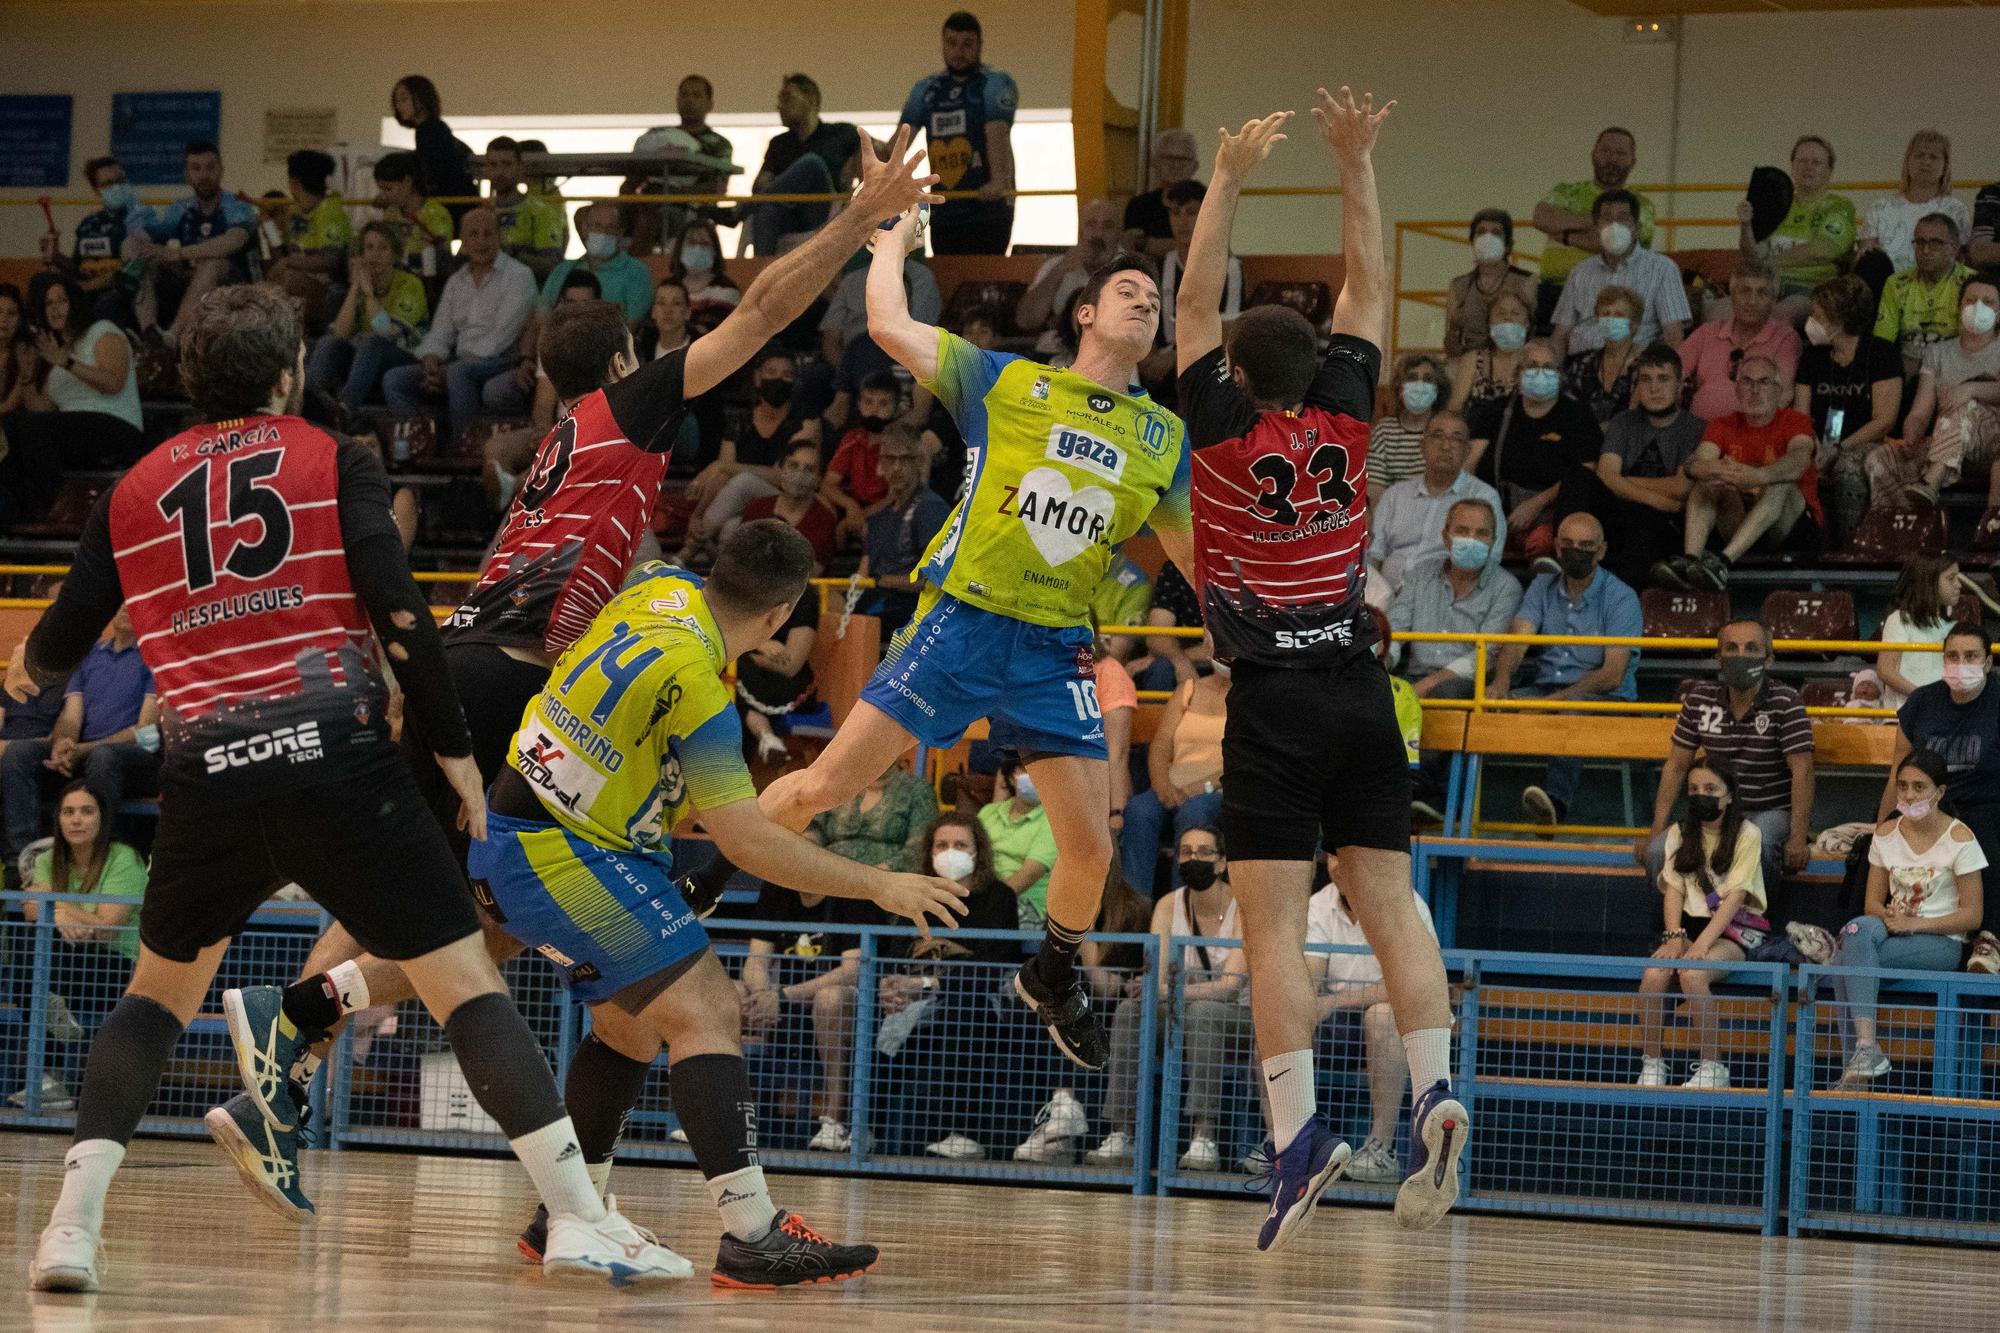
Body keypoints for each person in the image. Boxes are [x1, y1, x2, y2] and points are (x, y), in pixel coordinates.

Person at [199, 132, 943, 1213]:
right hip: (508, 680)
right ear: (629, 361)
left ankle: (285, 1065)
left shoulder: (560, 445)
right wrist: (856, 220)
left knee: (456, 918)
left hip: (466, 668)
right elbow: (758, 313)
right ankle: (341, 1056)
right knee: (481, 927)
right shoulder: (620, 415)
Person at [15, 285, 689, 1293]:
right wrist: (453, 751)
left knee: (153, 1000)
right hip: (339, 764)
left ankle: (69, 1229)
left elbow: (60, 641)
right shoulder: (334, 458)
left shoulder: (131, 491)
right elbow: (400, 610)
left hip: (209, 771)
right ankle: (581, 1219)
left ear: (189, 378)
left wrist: (27, 669)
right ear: (291, 372)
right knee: (465, 983)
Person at [689, 159, 1200, 1079]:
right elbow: (888, 324)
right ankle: (706, 876)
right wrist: (889, 237)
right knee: (822, 786)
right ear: (1085, 314)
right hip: (962, 624)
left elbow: (1195, 555)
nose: (1146, 303)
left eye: (1155, 300)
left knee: (1092, 847)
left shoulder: (1163, 436)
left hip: (1054, 647)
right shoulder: (1007, 381)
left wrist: (1260, 617)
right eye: (1128, 292)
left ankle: (1052, 976)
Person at [476, 528, 962, 1282]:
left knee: (624, 1024)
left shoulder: (658, 586)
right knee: (706, 1007)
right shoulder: (702, 695)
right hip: (562, 847)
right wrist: (880, 883)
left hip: (535, 821)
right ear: (781, 616)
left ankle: (565, 1213)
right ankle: (753, 1234)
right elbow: (748, 841)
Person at [1172, 92, 1464, 1247]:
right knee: (1389, 902)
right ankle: (1434, 1089)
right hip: (1360, 686)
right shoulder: (1346, 412)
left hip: (1273, 703)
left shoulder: (1219, 432)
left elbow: (1193, 299)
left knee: (1272, 934)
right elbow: (1369, 288)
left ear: (1235, 374)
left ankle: (1295, 1136)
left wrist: (1228, 177)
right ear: (1315, 365)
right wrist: (1356, 161)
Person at [1090, 826, 1248, 1172]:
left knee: (1204, 1012)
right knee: (1130, 1011)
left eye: (1204, 852)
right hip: (1182, 1012)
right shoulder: (1167, 905)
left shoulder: (1244, 908)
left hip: (1239, 1018)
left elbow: (1229, 987)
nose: (1193, 859)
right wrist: (1156, 990)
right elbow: (1157, 978)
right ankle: (1122, 1133)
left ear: (1222, 863)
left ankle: (1204, 1136)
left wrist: (1169, 991)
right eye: (1186, 852)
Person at [1832, 748, 1985, 1087]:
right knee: (1856, 929)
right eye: (1902, 786)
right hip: (1892, 930)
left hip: (1940, 941)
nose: (1909, 794)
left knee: (1843, 962)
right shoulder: (1885, 833)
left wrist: (1914, 924)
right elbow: (1872, 903)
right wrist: (1889, 915)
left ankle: (1858, 1067)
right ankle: (1866, 1050)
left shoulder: (1961, 838)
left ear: (1939, 792)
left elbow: (1972, 916)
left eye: (1919, 787)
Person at [882, 809, 1030, 1160]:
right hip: (910, 1004)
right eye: (942, 845)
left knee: (964, 1002)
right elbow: (893, 956)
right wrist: (890, 987)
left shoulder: (999, 897)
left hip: (975, 1003)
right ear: (929, 852)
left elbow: (994, 965)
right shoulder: (913, 897)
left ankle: (962, 1132)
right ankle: (863, 1130)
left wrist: (926, 984)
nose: (950, 852)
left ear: (978, 852)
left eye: (960, 845)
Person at [1636, 619, 1814, 889]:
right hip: (1715, 809)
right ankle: (1677, 917)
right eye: (1731, 648)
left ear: (1768, 659)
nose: (1741, 656)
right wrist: (1656, 831)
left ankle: (1758, 916)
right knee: (1658, 852)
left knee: (1761, 842)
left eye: (1751, 648)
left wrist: (1798, 838)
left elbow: (1803, 771)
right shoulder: (1699, 700)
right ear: (1719, 658)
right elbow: (1676, 767)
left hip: (1770, 811)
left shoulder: (1786, 702)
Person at [1489, 512, 1642, 825]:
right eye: (1569, 544)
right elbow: (1516, 641)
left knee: (1572, 710)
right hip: (1546, 690)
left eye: (1586, 546)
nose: (1576, 551)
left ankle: (1555, 805)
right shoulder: (1541, 586)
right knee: (1484, 706)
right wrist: (1501, 682)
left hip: (1606, 700)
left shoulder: (1621, 597)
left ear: (1601, 550)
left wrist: (1552, 702)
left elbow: (1612, 675)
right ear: (1557, 547)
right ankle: (1451, 805)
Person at [10, 782, 147, 1112]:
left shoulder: (123, 858)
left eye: (86, 812)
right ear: (58, 819)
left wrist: (56, 907)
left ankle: (52, 1076)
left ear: (102, 818)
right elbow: (31, 911)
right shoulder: (48, 860)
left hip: (113, 968)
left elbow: (106, 927)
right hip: (64, 965)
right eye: (68, 812)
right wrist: (61, 915)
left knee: (37, 957)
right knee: (29, 943)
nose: (76, 820)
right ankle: (52, 1074)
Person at [1302, 855, 1438, 1183]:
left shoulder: (1406, 904)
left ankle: (1381, 1149)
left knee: (1381, 1017)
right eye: (1332, 856)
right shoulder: (1318, 904)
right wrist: (1311, 1003)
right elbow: (1311, 978)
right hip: (1339, 1022)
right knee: (1287, 1018)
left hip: (1403, 1018)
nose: (1337, 864)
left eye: (1345, 854)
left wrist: (1334, 1001)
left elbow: (1402, 985)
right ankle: (1288, 1144)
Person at [1635, 758, 1766, 1091]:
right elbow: (1673, 889)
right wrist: (1674, 938)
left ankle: (1713, 1066)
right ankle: (1653, 1063)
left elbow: (1736, 896)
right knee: (1654, 974)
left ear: (1729, 795)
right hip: (1686, 930)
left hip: (1729, 934)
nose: (1701, 795)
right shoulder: (1678, 833)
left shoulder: (1748, 834)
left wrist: (1701, 946)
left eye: (1710, 789)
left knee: (1693, 973)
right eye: (1693, 790)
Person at [0, 601, 158, 869]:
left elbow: (145, 731)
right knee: (20, 753)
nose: (124, 609)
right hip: (89, 755)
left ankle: (98, 863)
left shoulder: (154, 658)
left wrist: (84, 749)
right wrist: (64, 743)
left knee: (103, 757)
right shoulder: (90, 657)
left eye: (132, 604)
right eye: (120, 603)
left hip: (137, 761)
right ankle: (22, 863)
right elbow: (72, 717)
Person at [1012, 864, 1152, 1163]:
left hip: (1111, 1006)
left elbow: (1108, 988)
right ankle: (1062, 1108)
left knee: (1078, 1003)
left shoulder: (1134, 910)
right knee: (1034, 1003)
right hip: (1069, 1005)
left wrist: (1082, 930)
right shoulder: (1060, 906)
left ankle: (1067, 1114)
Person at [1656, 355, 1819, 591]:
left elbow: (1800, 458)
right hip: (1740, 526)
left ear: (1778, 390)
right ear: (1737, 389)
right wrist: (1710, 468)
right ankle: (1690, 562)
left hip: (1790, 528)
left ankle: (1722, 563)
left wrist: (1758, 476)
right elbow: (1695, 463)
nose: (1754, 390)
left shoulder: (1795, 421)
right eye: (1747, 382)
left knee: (1781, 481)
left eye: (1763, 382)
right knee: (1708, 482)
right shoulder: (1722, 424)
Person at [1879, 624, 2000, 939]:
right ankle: (1870, 929)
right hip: (1925, 805)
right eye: (1953, 656)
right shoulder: (1922, 701)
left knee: (1986, 847)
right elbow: (1898, 772)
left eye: (1971, 656)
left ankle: (1989, 939)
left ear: (1988, 662)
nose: (1961, 664)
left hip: (1984, 806)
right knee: (1876, 847)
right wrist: (1881, 828)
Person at [380, 207, 538, 440]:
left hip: (503, 361)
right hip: (461, 363)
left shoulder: (518, 276)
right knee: (395, 379)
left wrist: (448, 369)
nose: (481, 241)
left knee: (458, 372)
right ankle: (422, 440)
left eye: (488, 234)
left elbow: (500, 339)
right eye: (473, 234)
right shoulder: (457, 281)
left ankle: (463, 443)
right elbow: (441, 331)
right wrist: (432, 359)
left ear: (499, 238)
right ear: (462, 241)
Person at [1569, 342, 1699, 589]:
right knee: (1579, 477)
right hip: (1622, 516)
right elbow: (1605, 475)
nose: (1654, 388)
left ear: (1680, 384)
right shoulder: (1623, 422)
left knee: (1644, 520)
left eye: (1663, 379)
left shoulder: (1695, 427)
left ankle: (1623, 602)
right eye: (1646, 379)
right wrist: (1661, 500)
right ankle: (1568, 557)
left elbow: (1681, 487)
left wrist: (1621, 481)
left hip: (1664, 527)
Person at [1869, 276, 2000, 514]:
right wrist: (1911, 434)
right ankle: (1906, 526)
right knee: (1879, 459)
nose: (1978, 307)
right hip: (1946, 439)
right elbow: (1920, 412)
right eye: (1971, 300)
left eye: (1988, 302)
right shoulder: (1937, 353)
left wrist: (1970, 390)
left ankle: (1932, 482)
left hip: (1991, 444)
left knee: (1965, 407)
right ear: (1959, 306)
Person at [1465, 339, 1603, 561]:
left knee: (1542, 544)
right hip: (1498, 511)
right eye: (1532, 366)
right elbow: (1470, 462)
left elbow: (1585, 471)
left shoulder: (1577, 415)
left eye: (1548, 367)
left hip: (1553, 514)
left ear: (1560, 374)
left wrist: (1537, 503)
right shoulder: (1497, 410)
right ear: (1518, 373)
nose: (1540, 373)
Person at [677, 350, 816, 563]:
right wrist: (697, 514)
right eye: (771, 372)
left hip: (787, 496)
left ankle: (687, 552)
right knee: (730, 528)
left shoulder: (806, 422)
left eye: (787, 374)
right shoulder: (740, 421)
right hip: (741, 504)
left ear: (795, 382)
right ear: (758, 377)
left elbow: (782, 475)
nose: (779, 379)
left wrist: (720, 465)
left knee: (744, 481)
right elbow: (724, 474)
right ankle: (719, 566)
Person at [1797, 274, 1904, 544]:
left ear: (1840, 321)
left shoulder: (1881, 354)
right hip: (1817, 444)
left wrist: (1839, 448)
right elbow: (1801, 414)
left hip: (1867, 444)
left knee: (1847, 467)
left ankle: (1850, 548)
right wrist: (1814, 446)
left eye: (1818, 316)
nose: (1811, 321)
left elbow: (1884, 420)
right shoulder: (1811, 356)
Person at [900, 10, 1017, 254]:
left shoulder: (995, 83)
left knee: (984, 272)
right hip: (944, 210)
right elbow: (900, 141)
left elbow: (997, 133)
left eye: (967, 44)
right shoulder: (926, 89)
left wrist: (998, 181)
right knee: (946, 273)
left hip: (987, 208)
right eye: (951, 43)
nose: (958, 52)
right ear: (942, 44)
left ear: (980, 45)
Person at [1389, 498, 1524, 699]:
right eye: (1462, 531)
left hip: (1466, 682)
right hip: (1414, 676)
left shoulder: (1506, 587)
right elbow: (1394, 629)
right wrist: (1381, 663)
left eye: (1481, 533)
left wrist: (1425, 686)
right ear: (1446, 537)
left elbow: (1487, 654)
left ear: (1493, 541)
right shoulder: (1421, 574)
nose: (1471, 539)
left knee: (1445, 691)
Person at [1367, 410, 1507, 604]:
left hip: (1444, 601)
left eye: (1456, 439)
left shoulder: (1483, 497)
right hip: (1385, 599)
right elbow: (1373, 555)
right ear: (1422, 446)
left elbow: (1490, 561)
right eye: (1437, 436)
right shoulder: (1395, 495)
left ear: (1467, 451)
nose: (1446, 446)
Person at [10, 272, 144, 475]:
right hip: (71, 431)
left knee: (33, 429)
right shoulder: (56, 353)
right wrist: (26, 375)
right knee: (9, 427)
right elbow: (41, 407)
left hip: (115, 426)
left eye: (62, 300)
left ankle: (47, 494)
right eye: (48, 303)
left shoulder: (102, 330)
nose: (55, 309)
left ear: (75, 303)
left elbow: (113, 383)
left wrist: (67, 362)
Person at [126, 140, 257, 345]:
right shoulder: (180, 208)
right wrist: (138, 243)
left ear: (221, 170)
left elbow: (234, 240)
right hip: (188, 281)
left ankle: (171, 337)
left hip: (233, 286)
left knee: (213, 263)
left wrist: (179, 254)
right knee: (132, 245)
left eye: (210, 167)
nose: (204, 175)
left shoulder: (237, 205)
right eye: (196, 168)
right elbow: (152, 233)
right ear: (187, 175)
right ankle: (150, 333)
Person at [1532, 127, 1657, 332]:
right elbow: (1541, 217)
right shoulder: (1567, 191)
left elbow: (1614, 245)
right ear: (1593, 156)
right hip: (1553, 291)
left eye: (1621, 153)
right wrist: (1594, 222)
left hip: (1609, 294)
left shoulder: (1641, 205)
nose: (1612, 159)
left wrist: (1563, 235)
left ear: (1633, 162)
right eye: (1606, 151)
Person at [1118, 663, 1228, 894]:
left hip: (1218, 790)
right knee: (1139, 810)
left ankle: (1182, 905)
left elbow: (1246, 759)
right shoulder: (1188, 689)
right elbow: (1160, 744)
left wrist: (1202, 786)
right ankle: (1134, 907)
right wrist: (1162, 785)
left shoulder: (1250, 695)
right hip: (1172, 785)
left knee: (1194, 811)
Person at [307, 221, 429, 416]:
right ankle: (310, 407)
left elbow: (385, 332)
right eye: (369, 248)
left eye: (383, 248)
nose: (375, 255)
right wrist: (355, 288)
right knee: (327, 343)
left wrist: (369, 295)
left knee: (372, 342)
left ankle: (345, 409)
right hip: (365, 363)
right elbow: (340, 333)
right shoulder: (363, 284)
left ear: (394, 254)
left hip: (403, 359)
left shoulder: (410, 284)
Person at [1549, 190, 1688, 356]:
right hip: (1581, 363)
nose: (1614, 226)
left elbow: (1674, 336)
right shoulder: (1579, 272)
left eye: (1623, 218)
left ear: (1637, 228)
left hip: (1635, 364)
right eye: (1607, 218)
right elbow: (1560, 335)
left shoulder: (1663, 269)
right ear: (1597, 228)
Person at [741, 73, 866, 256]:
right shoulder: (779, 143)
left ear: (811, 100)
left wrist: (855, 171)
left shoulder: (841, 133)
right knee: (767, 211)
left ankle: (741, 210)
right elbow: (759, 186)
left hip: (825, 212)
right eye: (779, 101)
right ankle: (763, 271)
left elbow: (875, 158)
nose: (780, 106)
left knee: (812, 163)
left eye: (787, 98)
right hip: (788, 217)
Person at [1738, 136, 1855, 314]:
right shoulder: (1776, 202)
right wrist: (1746, 225)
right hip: (1765, 285)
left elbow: (1822, 249)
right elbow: (1753, 254)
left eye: (1816, 162)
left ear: (1829, 171)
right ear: (1792, 166)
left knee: (1779, 314)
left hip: (1811, 289)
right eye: (1802, 161)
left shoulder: (1839, 206)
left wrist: (1769, 264)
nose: (1808, 167)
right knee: (1716, 311)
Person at [1678, 259, 1801, 424]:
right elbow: (1673, 373)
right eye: (1745, 291)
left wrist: (1738, 433)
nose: (1752, 301)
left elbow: (1782, 397)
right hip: (1698, 429)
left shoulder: (1785, 338)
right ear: (1732, 296)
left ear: (1773, 300)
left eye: (1762, 293)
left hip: (1752, 432)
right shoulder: (1707, 332)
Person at [627, 74, 734, 254]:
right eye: (684, 95)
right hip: (646, 202)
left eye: (696, 95)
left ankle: (636, 265)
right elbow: (632, 179)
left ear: (709, 104)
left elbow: (717, 189)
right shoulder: (658, 136)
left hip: (687, 211)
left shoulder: (719, 145)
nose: (689, 100)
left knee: (655, 217)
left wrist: (671, 195)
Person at [858, 425, 950, 634]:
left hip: (909, 608)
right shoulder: (879, 518)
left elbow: (933, 579)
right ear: (881, 463)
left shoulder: (930, 508)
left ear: (919, 462)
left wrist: (881, 581)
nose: (897, 467)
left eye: (905, 459)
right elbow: (861, 575)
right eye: (890, 459)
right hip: (875, 598)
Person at [734, 573, 823, 764]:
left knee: (734, 672)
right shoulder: (746, 592)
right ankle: (766, 739)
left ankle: (765, 739)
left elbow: (791, 666)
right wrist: (759, 644)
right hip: (745, 677)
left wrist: (748, 653)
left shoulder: (803, 597)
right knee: (728, 676)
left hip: (790, 686)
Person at [1874, 213, 1976, 377]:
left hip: (1955, 370)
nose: (1925, 250)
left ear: (1954, 248)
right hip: (1907, 369)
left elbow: (1974, 346)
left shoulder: (1972, 284)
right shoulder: (1896, 283)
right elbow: (1883, 342)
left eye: (1935, 243)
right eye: (1920, 243)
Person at [1857, 131, 1970, 279]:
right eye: (1919, 155)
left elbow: (1961, 260)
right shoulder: (1879, 208)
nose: (1926, 161)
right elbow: (1868, 257)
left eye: (1933, 157)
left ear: (1945, 166)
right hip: (1886, 287)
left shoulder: (1956, 209)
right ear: (1907, 161)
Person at [1016, 198, 1122, 354]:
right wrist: (1061, 270)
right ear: (1079, 230)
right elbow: (1026, 320)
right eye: (1091, 224)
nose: (1098, 234)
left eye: (1108, 226)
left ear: (1119, 233)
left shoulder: (1133, 269)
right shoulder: (1057, 265)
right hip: (1060, 356)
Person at [260, 150, 351, 326]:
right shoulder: (296, 211)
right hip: (298, 289)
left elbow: (330, 261)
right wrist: (269, 226)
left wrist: (288, 262)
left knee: (290, 279)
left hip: (331, 295)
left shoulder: (331, 211)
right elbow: (281, 258)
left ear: (294, 183)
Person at [1157, 180, 1241, 352]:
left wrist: (1174, 358)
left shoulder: (1230, 269)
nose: (1182, 222)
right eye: (1176, 213)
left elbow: (1228, 333)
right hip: (1162, 360)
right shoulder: (1161, 266)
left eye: (1191, 212)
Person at [58, 157, 145, 323]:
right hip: (86, 294)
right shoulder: (88, 224)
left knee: (106, 304)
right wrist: (55, 255)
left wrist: (87, 286)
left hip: (123, 296)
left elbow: (135, 269)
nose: (116, 187)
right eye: (108, 183)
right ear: (96, 190)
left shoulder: (142, 219)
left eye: (120, 181)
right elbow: (76, 266)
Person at [538, 202, 655, 324]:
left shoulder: (636, 272)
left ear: (620, 233)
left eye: (611, 227)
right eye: (597, 226)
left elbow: (633, 325)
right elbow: (542, 318)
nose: (604, 232)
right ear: (585, 229)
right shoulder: (562, 270)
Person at [1445, 208, 1537, 358]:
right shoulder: (1459, 286)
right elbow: (1450, 344)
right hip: (1470, 361)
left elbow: (1531, 335)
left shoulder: (1525, 281)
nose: (1487, 238)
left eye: (1496, 233)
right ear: (1473, 242)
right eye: (1481, 232)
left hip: (1513, 360)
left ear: (1508, 245)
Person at [980, 758, 1060, 928]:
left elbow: (1029, 875)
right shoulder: (988, 812)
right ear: (1012, 777)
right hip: (982, 895)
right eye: (1029, 768)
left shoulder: (1055, 821)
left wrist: (987, 903)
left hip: (1027, 904)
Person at [822, 373, 901, 544]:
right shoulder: (852, 438)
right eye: (868, 402)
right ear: (858, 404)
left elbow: (897, 496)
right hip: (854, 506)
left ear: (896, 408)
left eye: (883, 404)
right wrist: (850, 506)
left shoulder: (902, 442)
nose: (874, 409)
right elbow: (828, 484)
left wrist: (858, 517)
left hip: (887, 511)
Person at [1878, 554, 1962, 710]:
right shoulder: (1900, 619)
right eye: (1951, 578)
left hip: (1941, 713)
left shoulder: (1953, 626)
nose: (1959, 585)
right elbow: (1885, 670)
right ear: (1928, 583)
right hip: (1904, 714)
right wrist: (1923, 696)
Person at [740, 439, 839, 570]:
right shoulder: (756, 508)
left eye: (809, 469)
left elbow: (811, 572)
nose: (800, 474)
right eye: (793, 465)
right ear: (781, 469)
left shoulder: (825, 521)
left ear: (819, 478)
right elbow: (740, 559)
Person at [390, 74, 476, 217]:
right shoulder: (430, 129)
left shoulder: (431, 131)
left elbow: (434, 171)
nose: (399, 106)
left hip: (451, 203)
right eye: (397, 101)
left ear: (421, 98)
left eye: (404, 99)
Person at [483, 136, 567, 281]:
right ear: (486, 169)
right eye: (493, 165)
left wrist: (512, 254)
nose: (500, 172)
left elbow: (552, 266)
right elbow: (463, 261)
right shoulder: (479, 214)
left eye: (506, 164)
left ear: (520, 167)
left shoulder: (541, 211)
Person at [1368, 351, 1449, 498]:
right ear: (1400, 388)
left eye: (1428, 379)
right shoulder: (1384, 431)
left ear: (1438, 390)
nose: (1419, 386)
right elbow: (1375, 492)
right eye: (1412, 378)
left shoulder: (1446, 431)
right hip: (1391, 509)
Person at [1559, 283, 1642, 425]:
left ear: (1634, 323)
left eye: (1619, 315)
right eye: (1606, 314)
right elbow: (1567, 409)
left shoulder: (1646, 365)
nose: (1611, 320)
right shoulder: (1583, 362)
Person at [367, 151, 454, 279]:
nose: (383, 196)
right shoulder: (391, 213)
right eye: (381, 190)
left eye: (388, 189)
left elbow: (438, 260)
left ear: (407, 182)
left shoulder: (436, 215)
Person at [1445, 289, 1530, 417]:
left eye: (1515, 313)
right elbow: (1455, 407)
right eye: (1500, 313)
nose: (1508, 318)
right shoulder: (1473, 359)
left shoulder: (1537, 360)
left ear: (1527, 323)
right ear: (1490, 323)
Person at [1123, 129, 1200, 258]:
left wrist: (1148, 244)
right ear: (1155, 163)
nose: (1176, 165)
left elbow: (1210, 248)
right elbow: (1130, 247)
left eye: (1183, 159)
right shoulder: (1138, 205)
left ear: (1195, 166)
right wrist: (1185, 244)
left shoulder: (1206, 203)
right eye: (1169, 158)